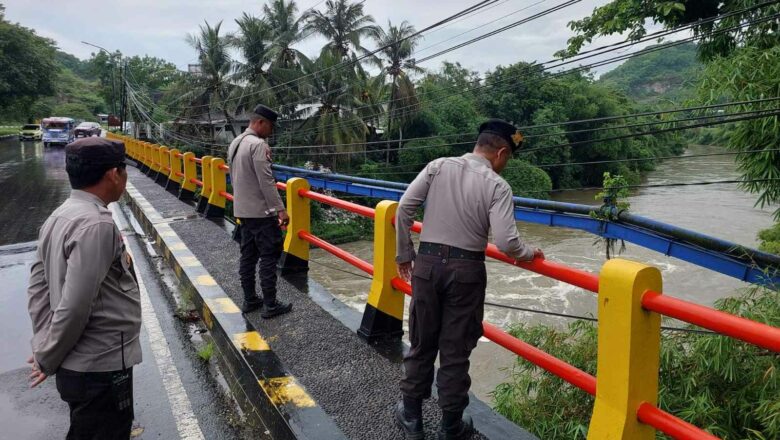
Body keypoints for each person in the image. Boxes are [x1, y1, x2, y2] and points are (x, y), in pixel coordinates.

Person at [394, 119, 544, 439]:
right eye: (508, 159)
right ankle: (450, 428)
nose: (505, 165)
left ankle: (412, 418)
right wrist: (530, 253)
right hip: (467, 272)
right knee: (455, 350)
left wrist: (405, 253)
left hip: (428, 265)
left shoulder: (437, 166)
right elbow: (506, 242)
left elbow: (405, 207)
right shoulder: (498, 186)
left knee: (422, 341)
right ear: (501, 152)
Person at [27, 137, 141, 439]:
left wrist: (44, 341)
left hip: (79, 365)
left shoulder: (61, 214)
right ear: (113, 174)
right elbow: (76, 305)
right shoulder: (97, 224)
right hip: (99, 365)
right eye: (124, 170)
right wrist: (47, 356)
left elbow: (38, 285)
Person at [227, 104, 293, 317]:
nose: (271, 132)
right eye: (270, 127)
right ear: (260, 123)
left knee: (248, 256)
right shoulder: (258, 145)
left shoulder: (235, 143)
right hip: (262, 213)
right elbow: (266, 181)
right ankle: (271, 305)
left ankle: (249, 299)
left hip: (243, 211)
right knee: (269, 255)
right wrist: (280, 210)